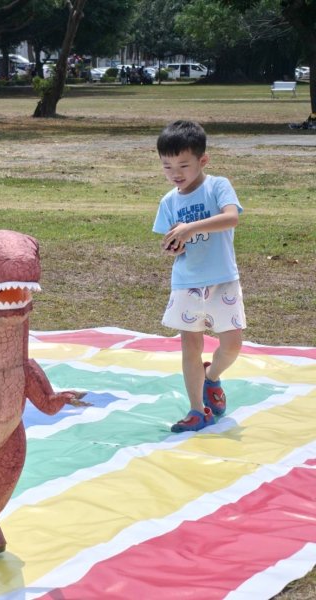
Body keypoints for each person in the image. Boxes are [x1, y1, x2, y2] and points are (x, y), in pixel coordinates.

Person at [152, 120, 245, 432]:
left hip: (223, 279)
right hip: (186, 283)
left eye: (183, 164)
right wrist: (173, 247)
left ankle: (212, 377)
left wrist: (191, 227)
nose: (175, 173)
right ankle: (196, 409)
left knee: (232, 345)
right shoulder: (168, 202)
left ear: (202, 161)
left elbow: (231, 218)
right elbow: (171, 242)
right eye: (167, 166)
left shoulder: (217, 186)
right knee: (190, 345)